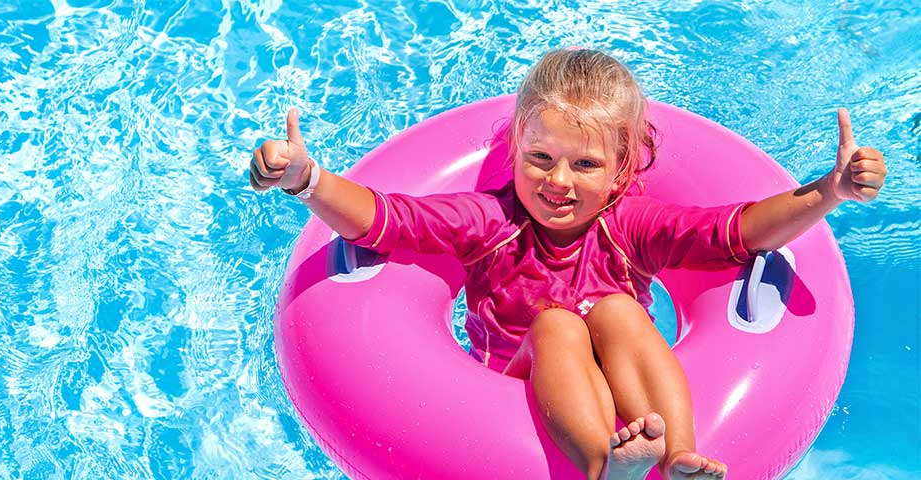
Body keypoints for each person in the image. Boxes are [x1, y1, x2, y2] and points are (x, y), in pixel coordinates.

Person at [248, 49, 886, 480]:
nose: (558, 181)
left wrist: (830, 192)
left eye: (584, 165)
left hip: (624, 386)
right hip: (518, 381)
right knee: (557, 324)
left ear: (622, 172)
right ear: (517, 146)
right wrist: (307, 180)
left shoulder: (634, 224)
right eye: (540, 159)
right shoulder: (487, 222)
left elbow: (739, 230)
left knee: (615, 311)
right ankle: (604, 471)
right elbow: (386, 217)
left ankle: (680, 460)